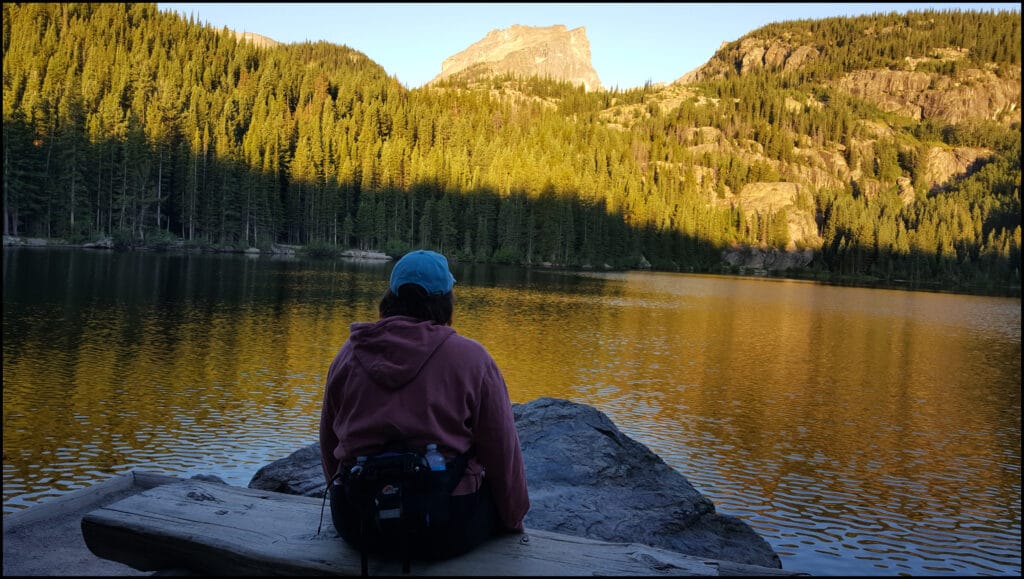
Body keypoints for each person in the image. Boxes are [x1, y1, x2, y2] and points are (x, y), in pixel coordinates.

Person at [319, 249, 529, 561]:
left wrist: (345, 495)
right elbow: (501, 449)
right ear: (446, 300)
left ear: (391, 296)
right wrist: (513, 518)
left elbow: (329, 442)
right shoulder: (472, 359)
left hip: (358, 523)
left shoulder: (348, 355)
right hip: (444, 527)